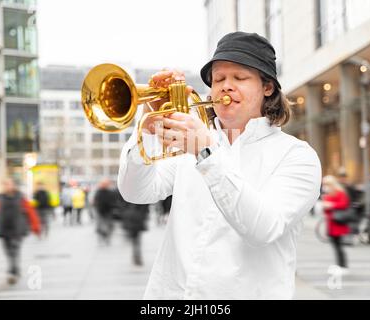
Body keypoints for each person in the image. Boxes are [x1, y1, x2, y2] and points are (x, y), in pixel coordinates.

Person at [118, 32, 322, 299]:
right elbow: (135, 192)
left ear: (268, 87)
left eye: (239, 78)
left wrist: (206, 153)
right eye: (218, 79)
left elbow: (263, 228)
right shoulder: (190, 141)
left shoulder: (297, 156)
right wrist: (146, 129)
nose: (225, 86)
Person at [0, 178, 41, 284]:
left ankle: (12, 271)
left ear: (14, 186)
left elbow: (31, 213)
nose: (7, 187)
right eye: (5, 185)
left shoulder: (21, 198)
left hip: (18, 229)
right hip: (4, 229)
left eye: (9, 184)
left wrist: (36, 227)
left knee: (14, 249)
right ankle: (14, 268)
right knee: (8, 251)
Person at [321, 175, 350, 273]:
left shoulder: (340, 193)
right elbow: (325, 211)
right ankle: (339, 264)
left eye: (326, 184)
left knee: (338, 246)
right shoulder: (328, 194)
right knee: (335, 245)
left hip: (338, 223)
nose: (325, 186)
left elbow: (344, 204)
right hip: (331, 224)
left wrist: (331, 205)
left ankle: (343, 266)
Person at [93, 179, 121, 246]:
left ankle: (104, 235)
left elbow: (95, 202)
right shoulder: (108, 192)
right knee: (107, 225)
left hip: (104, 211)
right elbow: (114, 202)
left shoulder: (99, 192)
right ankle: (105, 235)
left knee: (104, 225)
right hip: (106, 211)